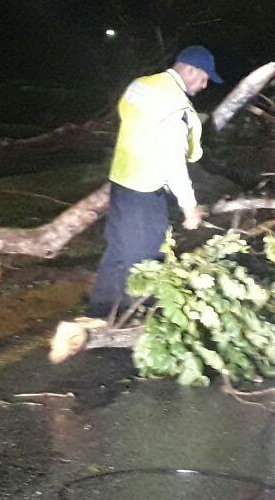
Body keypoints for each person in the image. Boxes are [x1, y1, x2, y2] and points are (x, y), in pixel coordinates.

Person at [85, 45, 223, 319]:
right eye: (205, 77)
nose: (206, 85)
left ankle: (99, 313)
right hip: (145, 191)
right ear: (190, 70)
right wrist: (189, 207)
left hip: (121, 182)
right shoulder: (178, 108)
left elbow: (130, 116)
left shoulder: (141, 85)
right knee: (146, 261)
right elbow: (174, 162)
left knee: (118, 250)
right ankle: (137, 322)